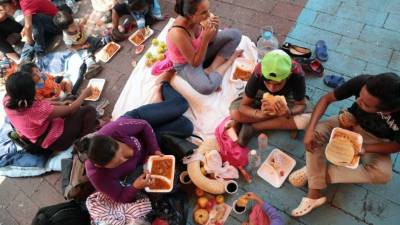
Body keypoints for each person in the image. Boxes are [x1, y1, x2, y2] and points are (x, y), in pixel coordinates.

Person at [289, 73, 400, 217]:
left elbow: (397, 146)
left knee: (382, 174)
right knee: (316, 133)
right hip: (351, 121)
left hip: (377, 140)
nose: (358, 100)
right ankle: (314, 194)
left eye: (366, 104)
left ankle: (313, 171)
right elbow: (326, 99)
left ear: (387, 111)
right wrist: (310, 129)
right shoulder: (364, 81)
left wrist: (366, 148)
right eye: (359, 95)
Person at [76, 81, 193, 203]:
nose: (125, 159)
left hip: (140, 120)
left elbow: (144, 126)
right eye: (117, 163)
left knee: (181, 105)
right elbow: (120, 197)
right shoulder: (97, 175)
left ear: (113, 139)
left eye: (121, 153)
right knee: (186, 126)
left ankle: (164, 86)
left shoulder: (114, 129)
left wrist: (155, 149)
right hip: (148, 142)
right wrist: (135, 187)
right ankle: (165, 117)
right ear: (101, 166)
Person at [229, 50, 312, 146]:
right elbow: (243, 106)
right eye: (267, 82)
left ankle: (254, 126)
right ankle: (259, 120)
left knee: (308, 119)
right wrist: (259, 114)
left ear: (288, 76)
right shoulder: (259, 71)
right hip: (260, 95)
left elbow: (301, 105)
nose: (272, 88)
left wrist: (289, 112)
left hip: (287, 97)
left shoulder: (297, 73)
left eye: (278, 83)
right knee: (234, 112)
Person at [3, 71, 97, 152]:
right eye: (33, 87)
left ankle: (80, 129)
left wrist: (61, 104)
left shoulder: (7, 100)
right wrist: (84, 94)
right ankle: (84, 144)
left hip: (42, 134)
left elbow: (41, 104)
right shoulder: (36, 110)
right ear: (29, 92)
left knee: (71, 101)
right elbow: (71, 109)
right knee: (89, 110)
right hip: (58, 141)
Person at [166, 0, 242, 95]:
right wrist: (205, 39)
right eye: (204, 12)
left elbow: (212, 40)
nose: (208, 14)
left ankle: (211, 68)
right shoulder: (178, 33)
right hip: (187, 63)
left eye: (208, 10)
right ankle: (229, 61)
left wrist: (215, 27)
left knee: (235, 34)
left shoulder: (198, 19)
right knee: (206, 87)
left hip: (201, 51)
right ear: (190, 15)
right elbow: (195, 63)